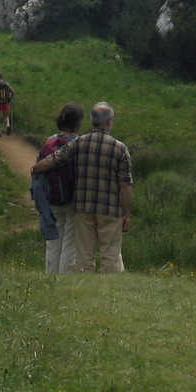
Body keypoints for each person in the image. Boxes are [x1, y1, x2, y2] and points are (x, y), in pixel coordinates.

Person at [31, 102, 132, 273]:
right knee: (110, 253)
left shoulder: (80, 143)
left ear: (92, 121)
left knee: (84, 254)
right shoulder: (120, 148)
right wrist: (127, 214)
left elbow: (56, 159)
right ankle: (110, 287)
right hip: (109, 207)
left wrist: (36, 167)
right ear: (109, 122)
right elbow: (125, 185)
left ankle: (84, 282)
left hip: (83, 207)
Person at [33, 103, 82, 273]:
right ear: (78, 123)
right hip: (72, 200)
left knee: (53, 242)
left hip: (51, 198)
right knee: (70, 243)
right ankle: (66, 278)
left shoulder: (50, 141)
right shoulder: (79, 143)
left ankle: (50, 275)